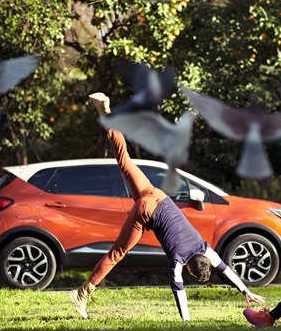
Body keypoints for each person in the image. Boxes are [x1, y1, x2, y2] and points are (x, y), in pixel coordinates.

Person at [69, 92, 265, 320]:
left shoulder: (205, 248)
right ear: (191, 268)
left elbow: (225, 269)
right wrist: (187, 320)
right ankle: (82, 293)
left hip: (157, 195)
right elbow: (178, 289)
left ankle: (107, 115)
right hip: (146, 210)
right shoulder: (178, 260)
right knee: (118, 252)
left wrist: (245, 290)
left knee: (124, 160)